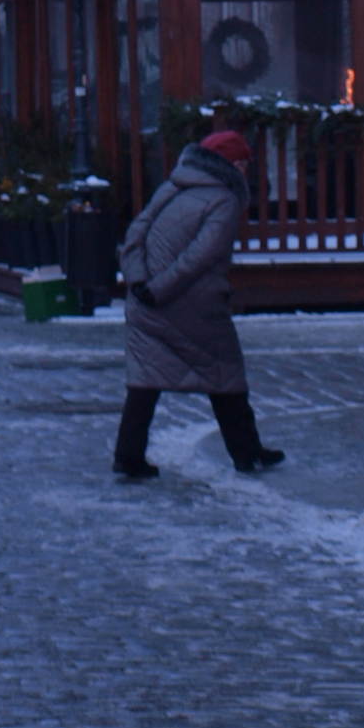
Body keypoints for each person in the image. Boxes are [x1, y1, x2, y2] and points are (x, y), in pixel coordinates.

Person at [111, 128, 284, 481]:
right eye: (245, 164)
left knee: (145, 376)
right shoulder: (225, 199)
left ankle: (128, 456)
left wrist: (139, 283)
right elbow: (200, 257)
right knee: (225, 371)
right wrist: (158, 290)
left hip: (146, 299)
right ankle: (246, 452)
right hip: (189, 303)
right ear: (234, 164)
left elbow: (134, 237)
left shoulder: (172, 187)